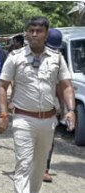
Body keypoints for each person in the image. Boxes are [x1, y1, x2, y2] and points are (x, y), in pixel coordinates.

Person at [0, 16, 76, 193]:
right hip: (23, 118)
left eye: (39, 31)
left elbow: (67, 86)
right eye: (31, 30)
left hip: (48, 120)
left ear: (46, 33)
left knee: (40, 164)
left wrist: (70, 111)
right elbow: (2, 86)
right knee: (23, 164)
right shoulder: (15, 57)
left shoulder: (57, 59)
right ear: (26, 32)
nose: (34, 34)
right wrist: (4, 115)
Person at [43, 28, 64, 183]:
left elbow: (61, 85)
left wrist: (62, 106)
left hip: (51, 105)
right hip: (32, 106)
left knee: (49, 138)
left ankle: (45, 169)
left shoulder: (59, 59)